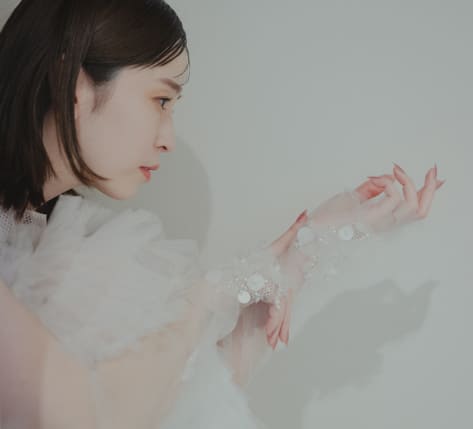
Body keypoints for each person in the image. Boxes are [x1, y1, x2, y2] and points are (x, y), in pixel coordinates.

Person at [0, 1, 444, 428]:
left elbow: (175, 408)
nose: (169, 139)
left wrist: (304, 250)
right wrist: (207, 297)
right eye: (161, 100)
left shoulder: (47, 248)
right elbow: (95, 419)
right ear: (72, 85)